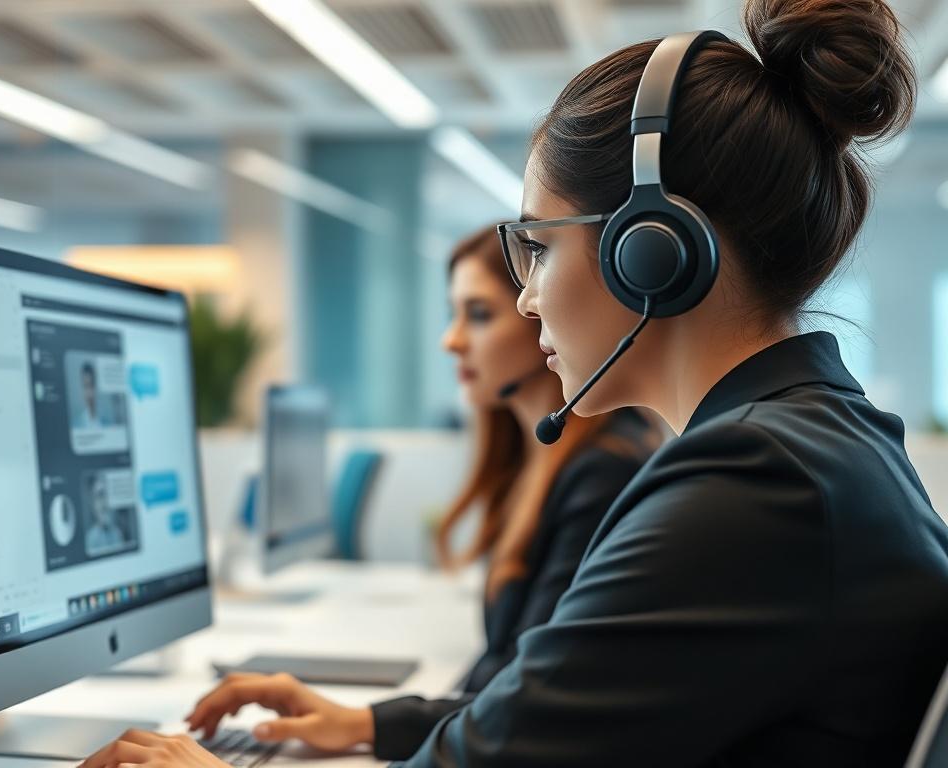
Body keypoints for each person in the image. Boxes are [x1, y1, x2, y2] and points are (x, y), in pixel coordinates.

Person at [80, 0, 948, 764]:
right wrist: (370, 724)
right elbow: (556, 713)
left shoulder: (754, 485)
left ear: (651, 250)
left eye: (537, 244)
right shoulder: (814, 444)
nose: (526, 294)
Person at [79, 228, 663, 767]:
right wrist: (363, 723)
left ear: (539, 315)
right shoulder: (539, 463)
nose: (451, 340)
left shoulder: (602, 474)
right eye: (453, 315)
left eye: (479, 315)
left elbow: (532, 720)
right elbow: (513, 699)